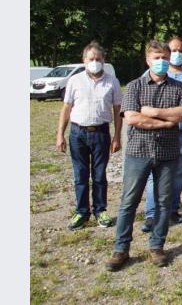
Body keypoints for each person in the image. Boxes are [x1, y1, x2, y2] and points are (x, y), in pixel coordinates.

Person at [106, 41, 182, 271]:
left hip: (168, 152)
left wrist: (153, 112)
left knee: (164, 201)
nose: (162, 61)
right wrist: (166, 121)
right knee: (129, 202)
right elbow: (132, 118)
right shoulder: (134, 86)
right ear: (147, 60)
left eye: (165, 56)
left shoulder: (179, 87)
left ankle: (157, 246)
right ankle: (121, 249)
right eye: (157, 57)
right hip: (138, 152)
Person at [56, 42, 122, 230]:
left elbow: (118, 110)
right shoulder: (74, 81)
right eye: (91, 59)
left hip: (101, 133)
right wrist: (60, 134)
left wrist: (117, 136)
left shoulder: (112, 82)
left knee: (100, 175)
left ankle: (100, 210)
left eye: (98, 59)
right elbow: (66, 107)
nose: (95, 62)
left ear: (104, 60)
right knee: (80, 175)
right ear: (84, 60)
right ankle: (81, 212)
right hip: (78, 133)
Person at [142, 37, 182, 232]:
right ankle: (152, 214)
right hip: (157, 134)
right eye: (173, 50)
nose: (177, 53)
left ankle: (172, 210)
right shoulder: (150, 74)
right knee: (155, 175)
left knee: (177, 175)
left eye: (180, 50)